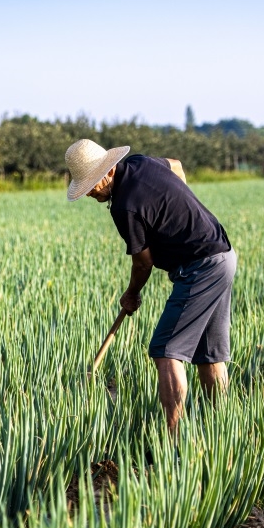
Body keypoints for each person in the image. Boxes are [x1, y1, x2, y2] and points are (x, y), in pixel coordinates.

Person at [65, 138, 236, 432]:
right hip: (223, 256)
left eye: (92, 184)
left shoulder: (124, 208)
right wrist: (181, 210)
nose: (90, 193)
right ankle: (221, 430)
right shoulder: (140, 163)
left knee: (165, 350)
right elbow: (177, 166)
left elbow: (143, 263)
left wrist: (131, 295)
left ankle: (173, 441)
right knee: (209, 355)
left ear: (107, 172)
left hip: (200, 267)